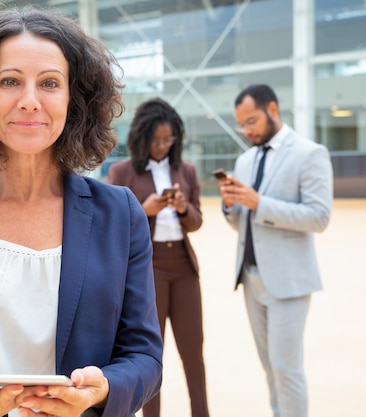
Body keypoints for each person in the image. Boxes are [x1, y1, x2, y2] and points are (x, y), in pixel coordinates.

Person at [0, 6, 163, 417]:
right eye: (9, 81)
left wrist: (100, 391)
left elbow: (144, 356)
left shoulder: (121, 214)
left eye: (49, 83)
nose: (29, 101)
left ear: (73, 100)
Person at [217, 84, 333, 417]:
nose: (246, 130)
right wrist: (231, 206)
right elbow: (243, 223)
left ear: (273, 110)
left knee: (287, 369)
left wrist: (259, 202)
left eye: (251, 121)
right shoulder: (245, 159)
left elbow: (319, 217)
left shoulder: (309, 154)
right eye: (242, 124)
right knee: (270, 366)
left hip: (289, 281)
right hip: (251, 279)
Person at [108, 98, 210, 417]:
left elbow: (196, 222)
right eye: (156, 140)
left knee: (193, 351)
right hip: (146, 271)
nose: (162, 146)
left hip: (183, 267)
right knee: (151, 355)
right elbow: (113, 227)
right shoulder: (121, 172)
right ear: (142, 138)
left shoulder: (187, 171)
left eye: (168, 139)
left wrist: (182, 208)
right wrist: (144, 208)